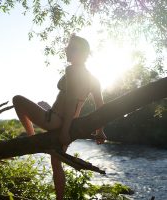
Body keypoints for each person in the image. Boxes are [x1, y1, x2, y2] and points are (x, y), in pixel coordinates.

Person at [12, 34, 107, 200]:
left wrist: (64, 132)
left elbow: (70, 101)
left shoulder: (72, 70)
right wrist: (100, 131)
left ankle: (31, 138)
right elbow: (101, 106)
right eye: (67, 47)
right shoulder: (93, 78)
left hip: (57, 121)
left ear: (82, 53)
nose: (66, 50)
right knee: (56, 162)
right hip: (66, 121)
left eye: (71, 48)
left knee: (17, 100)